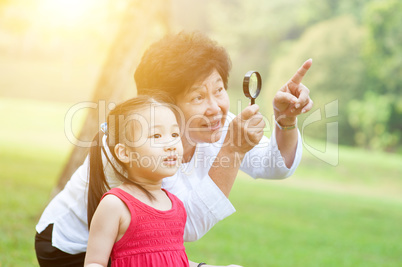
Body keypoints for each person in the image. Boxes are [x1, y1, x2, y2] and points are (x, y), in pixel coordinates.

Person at [35, 31, 313, 266]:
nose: (215, 107)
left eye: (218, 90)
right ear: (162, 105)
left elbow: (275, 165)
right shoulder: (135, 144)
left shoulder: (216, 124)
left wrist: (285, 122)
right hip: (73, 248)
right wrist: (232, 150)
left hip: (140, 249)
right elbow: (183, 225)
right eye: (198, 96)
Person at [84, 96, 240, 267]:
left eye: (174, 134)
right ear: (125, 153)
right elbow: (94, 263)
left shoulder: (175, 205)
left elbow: (174, 260)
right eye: (156, 135)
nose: (171, 144)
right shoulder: (115, 205)